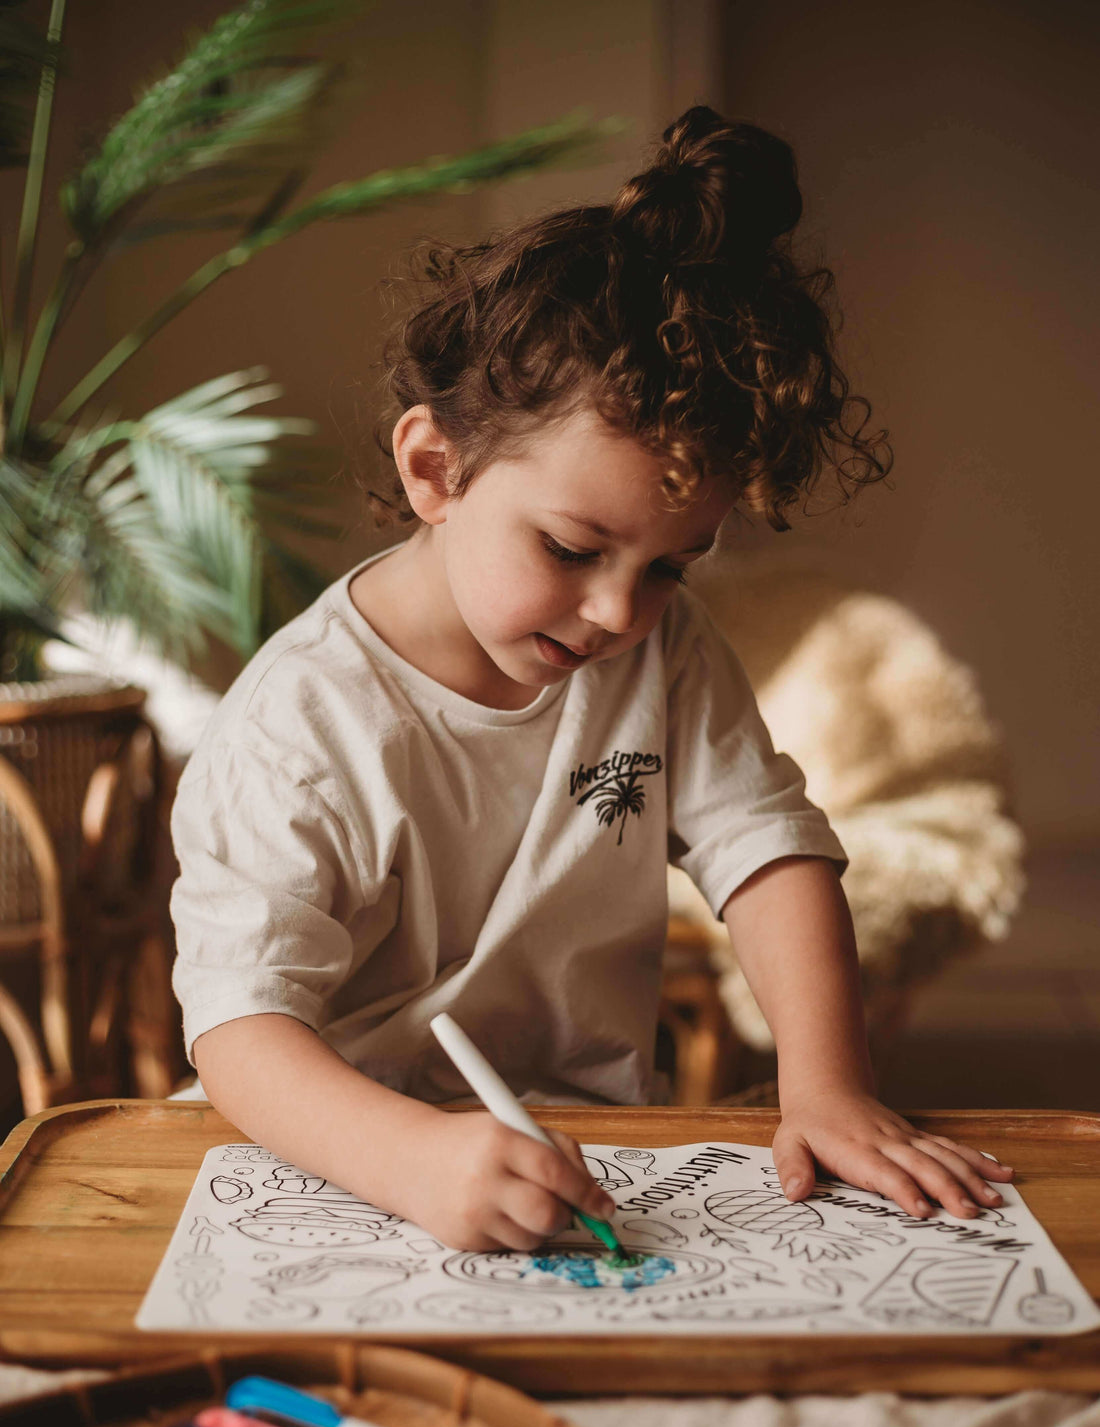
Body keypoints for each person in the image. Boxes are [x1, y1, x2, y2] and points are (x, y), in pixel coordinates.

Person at [171, 107, 1013, 1253]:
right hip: (336, 1168)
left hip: (596, 1153)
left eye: (669, 565)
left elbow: (767, 855)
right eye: (571, 549)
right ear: (436, 468)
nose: (619, 611)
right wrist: (411, 1158)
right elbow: (237, 1027)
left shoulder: (661, 651)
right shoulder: (298, 727)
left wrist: (824, 1085)